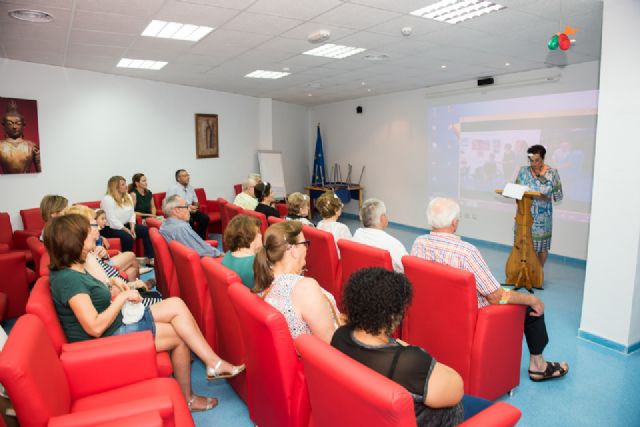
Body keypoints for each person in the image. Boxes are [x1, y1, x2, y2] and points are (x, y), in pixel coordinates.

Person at [44, 214, 245, 412]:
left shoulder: (76, 266)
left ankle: (213, 363)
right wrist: (122, 297)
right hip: (102, 340)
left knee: (176, 304)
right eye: (87, 233)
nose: (93, 234)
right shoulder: (68, 279)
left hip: (114, 322)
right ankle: (190, 398)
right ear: (74, 241)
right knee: (178, 336)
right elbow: (94, 327)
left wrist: (111, 284)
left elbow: (92, 297)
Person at [411, 197, 569, 382]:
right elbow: (496, 297)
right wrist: (533, 300)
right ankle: (538, 366)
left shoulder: (419, 243)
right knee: (531, 308)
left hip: (436, 311)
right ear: (455, 223)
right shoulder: (466, 252)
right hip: (470, 317)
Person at [332, 268, 493, 425]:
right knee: (492, 409)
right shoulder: (407, 361)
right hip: (434, 419)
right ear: (392, 315)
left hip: (363, 417)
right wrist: (411, 350)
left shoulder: (341, 336)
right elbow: (456, 390)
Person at [253, 221, 339, 343]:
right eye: (304, 243)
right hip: (318, 357)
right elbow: (330, 342)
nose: (306, 248)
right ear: (293, 250)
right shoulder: (304, 288)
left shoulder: (264, 279)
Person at [63, 205, 157, 304]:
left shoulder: (85, 253)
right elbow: (108, 292)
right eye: (95, 225)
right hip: (123, 304)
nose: (99, 228)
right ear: (81, 231)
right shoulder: (82, 262)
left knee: (132, 269)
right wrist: (132, 287)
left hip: (124, 298)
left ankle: (142, 290)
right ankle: (142, 290)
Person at [515, 144, 563, 267]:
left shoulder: (551, 173)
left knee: (541, 248)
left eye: (537, 160)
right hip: (524, 215)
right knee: (522, 245)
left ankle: (538, 274)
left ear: (543, 158)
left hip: (542, 219)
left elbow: (558, 196)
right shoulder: (523, 171)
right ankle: (524, 274)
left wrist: (542, 176)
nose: (534, 164)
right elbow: (516, 190)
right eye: (531, 161)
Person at [100, 176, 154, 261]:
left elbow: (132, 213)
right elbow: (112, 219)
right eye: (122, 184)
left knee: (147, 231)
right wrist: (127, 230)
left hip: (125, 225)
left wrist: (132, 228)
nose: (126, 186)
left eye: (125, 183)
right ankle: (127, 260)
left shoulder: (128, 196)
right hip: (110, 228)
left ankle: (149, 258)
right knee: (127, 238)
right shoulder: (108, 199)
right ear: (115, 187)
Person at [352, 198, 408, 273]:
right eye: (385, 214)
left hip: (360, 279)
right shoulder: (393, 244)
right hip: (384, 283)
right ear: (382, 218)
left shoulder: (357, 234)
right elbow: (407, 268)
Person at [94, 208, 141, 280]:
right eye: (102, 219)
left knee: (131, 270)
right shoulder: (93, 237)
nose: (105, 221)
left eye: (105, 219)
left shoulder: (99, 236)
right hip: (102, 266)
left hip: (105, 261)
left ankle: (137, 288)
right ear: (95, 221)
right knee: (131, 255)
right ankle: (140, 285)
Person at [221, 214, 263, 289]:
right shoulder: (257, 265)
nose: (261, 235)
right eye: (259, 232)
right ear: (251, 237)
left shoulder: (228, 254)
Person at [166, 169, 209, 240]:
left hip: (190, 210)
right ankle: (191, 241)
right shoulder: (173, 188)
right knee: (190, 220)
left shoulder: (190, 187)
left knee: (205, 218)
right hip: (179, 212)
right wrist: (187, 208)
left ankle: (200, 239)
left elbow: (196, 201)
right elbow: (170, 205)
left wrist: (195, 207)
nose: (188, 177)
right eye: (185, 176)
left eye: (187, 175)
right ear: (178, 178)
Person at [0, 100, 41, 174]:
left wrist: (37, 158)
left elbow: (40, 171)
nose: (14, 127)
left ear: (23, 126)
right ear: (4, 126)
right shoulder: (1, 145)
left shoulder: (31, 145)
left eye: (18, 123)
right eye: (9, 123)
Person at [315, 191, 352, 257]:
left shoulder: (319, 224)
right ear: (336, 211)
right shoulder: (342, 228)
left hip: (323, 259)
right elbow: (351, 249)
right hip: (337, 261)